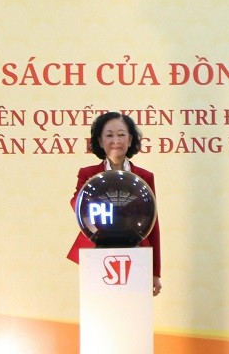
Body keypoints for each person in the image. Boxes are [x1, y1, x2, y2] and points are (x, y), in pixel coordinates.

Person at [67, 112, 162, 296]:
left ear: (130, 139)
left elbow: (153, 225)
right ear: (100, 141)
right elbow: (76, 205)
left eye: (121, 134)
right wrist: (94, 189)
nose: (116, 140)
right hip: (96, 251)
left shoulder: (145, 177)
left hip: (138, 252)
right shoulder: (88, 174)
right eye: (109, 135)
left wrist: (155, 272)